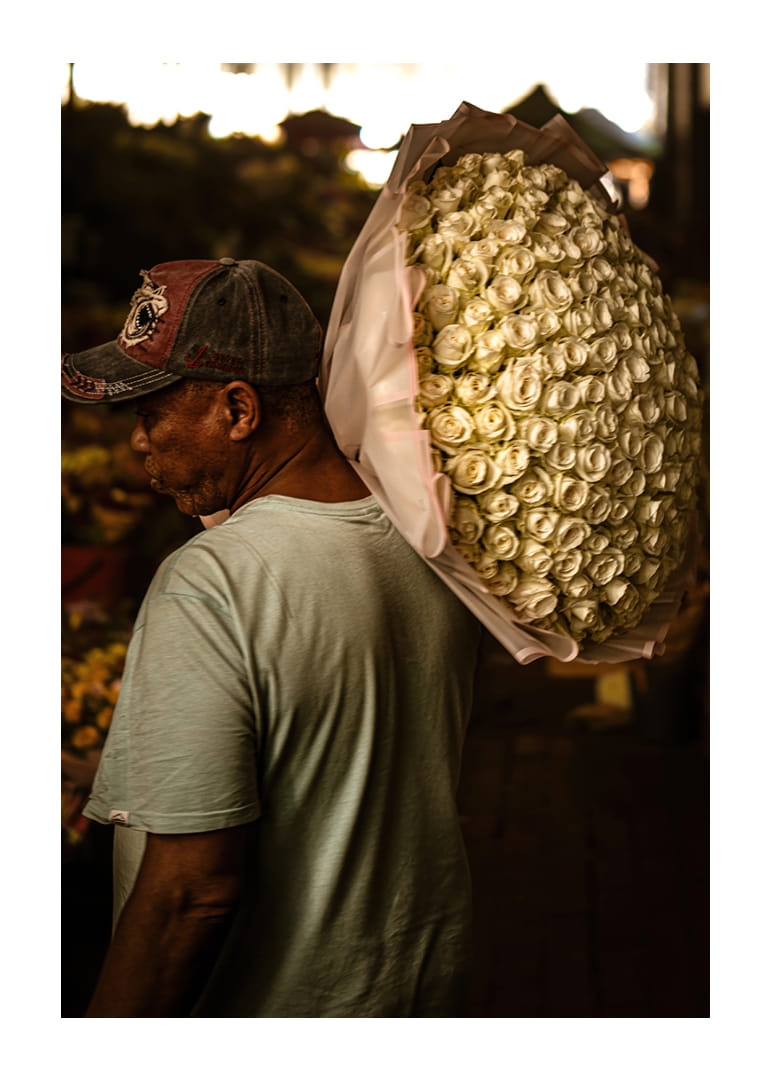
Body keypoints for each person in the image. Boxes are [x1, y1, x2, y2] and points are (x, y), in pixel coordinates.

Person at [62, 257, 481, 1017]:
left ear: (238, 409)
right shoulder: (422, 536)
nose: (138, 443)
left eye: (150, 413)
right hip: (414, 992)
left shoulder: (212, 582)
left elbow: (191, 894)